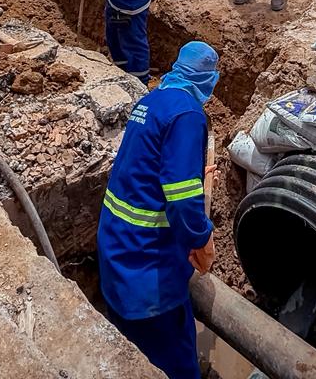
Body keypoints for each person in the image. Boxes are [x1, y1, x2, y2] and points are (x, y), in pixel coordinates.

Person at [98, 42, 219, 379]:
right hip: (147, 271)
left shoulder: (151, 101)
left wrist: (194, 172)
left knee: (129, 354)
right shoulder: (188, 114)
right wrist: (202, 238)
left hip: (116, 252)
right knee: (176, 363)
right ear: (209, 78)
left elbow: (147, 168)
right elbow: (181, 199)